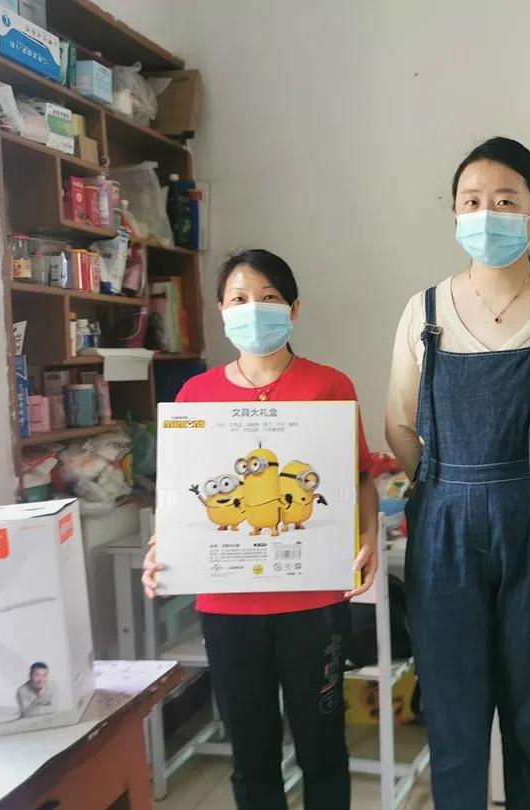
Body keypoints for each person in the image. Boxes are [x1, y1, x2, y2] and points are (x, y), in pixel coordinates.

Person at [385, 136, 530, 808]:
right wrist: (449, 490)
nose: (486, 213)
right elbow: (399, 425)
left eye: (505, 201)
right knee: (454, 717)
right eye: (471, 201)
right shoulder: (423, 313)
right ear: (454, 213)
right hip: (445, 531)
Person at [142, 249, 379, 810]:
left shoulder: (329, 386)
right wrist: (161, 547)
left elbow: (360, 479)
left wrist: (368, 536)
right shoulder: (196, 396)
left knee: (323, 747)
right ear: (222, 311)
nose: (254, 309)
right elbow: (180, 500)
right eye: (239, 299)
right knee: (251, 755)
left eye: (269, 298)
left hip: (314, 601)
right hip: (228, 606)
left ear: (294, 309)